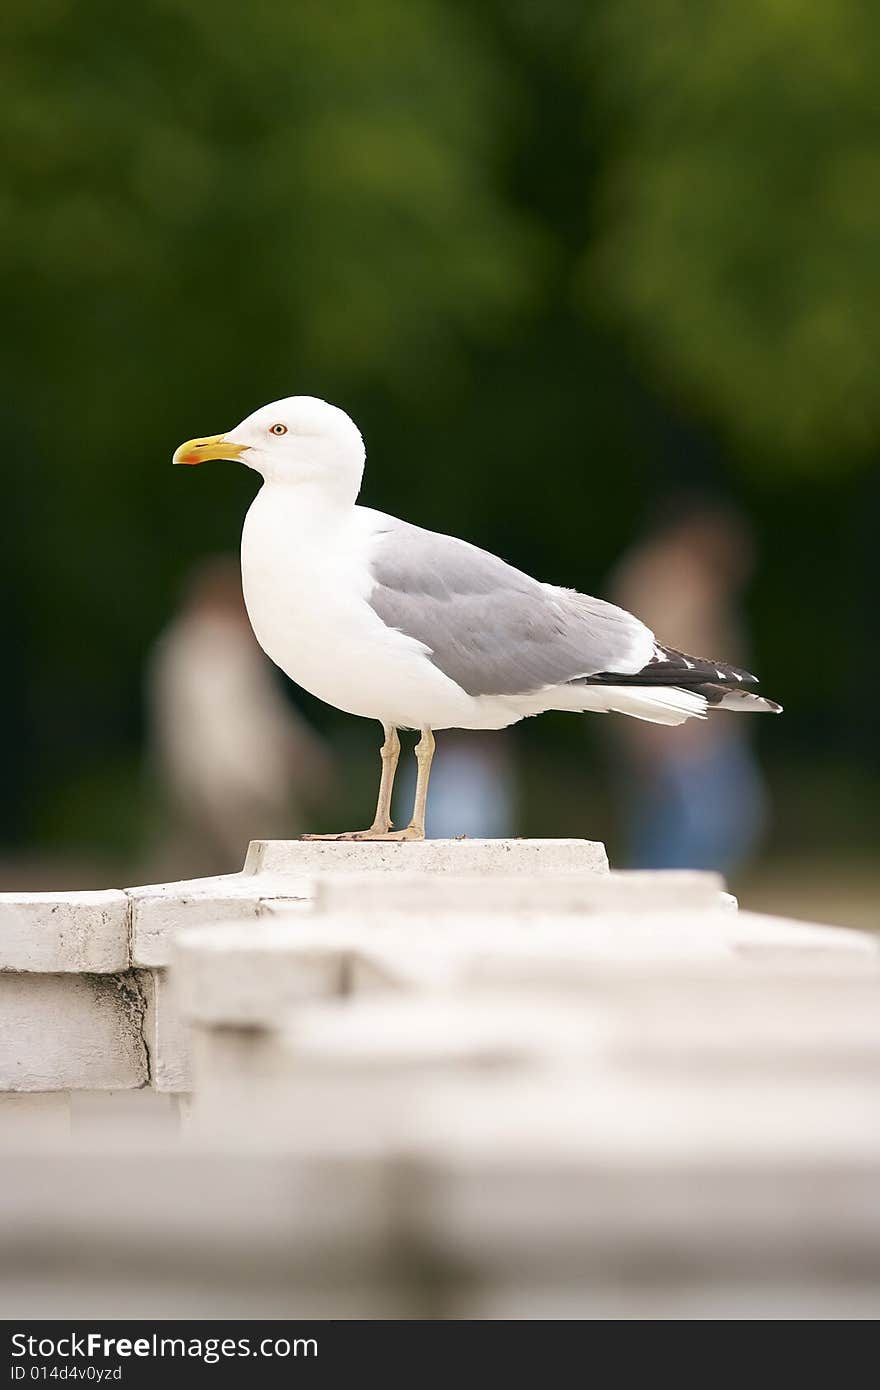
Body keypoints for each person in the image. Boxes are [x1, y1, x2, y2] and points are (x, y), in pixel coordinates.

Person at [607, 498, 768, 873]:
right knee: (696, 826)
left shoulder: (684, 580)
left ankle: (664, 894)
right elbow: (644, 666)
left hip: (696, 731)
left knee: (698, 823)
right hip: (683, 736)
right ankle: (661, 898)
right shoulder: (666, 581)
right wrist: (652, 735)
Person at [146, 556, 332, 876]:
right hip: (236, 785)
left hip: (197, 779)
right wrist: (273, 772)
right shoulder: (219, 648)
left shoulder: (178, 646)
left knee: (200, 865)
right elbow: (239, 723)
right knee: (274, 866)